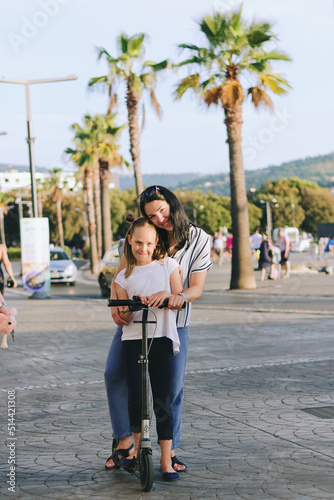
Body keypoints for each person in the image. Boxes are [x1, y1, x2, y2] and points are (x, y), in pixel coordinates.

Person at [104, 185, 212, 472]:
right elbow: (122, 277)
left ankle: (169, 452)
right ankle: (126, 441)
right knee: (114, 375)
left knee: (170, 389)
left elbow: (196, 287)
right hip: (136, 323)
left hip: (173, 324)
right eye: (152, 215)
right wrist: (117, 305)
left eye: (163, 210)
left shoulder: (198, 239)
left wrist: (178, 297)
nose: (160, 218)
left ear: (173, 205)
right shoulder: (143, 237)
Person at [114, 214, 182, 481]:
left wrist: (166, 296)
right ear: (129, 241)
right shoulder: (122, 277)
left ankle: (166, 459)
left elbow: (180, 298)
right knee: (137, 396)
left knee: (162, 398)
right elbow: (123, 317)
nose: (143, 249)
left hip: (162, 337)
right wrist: (132, 305)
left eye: (149, 244)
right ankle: (141, 449)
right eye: (138, 243)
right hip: (133, 340)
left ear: (156, 244)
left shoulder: (168, 266)